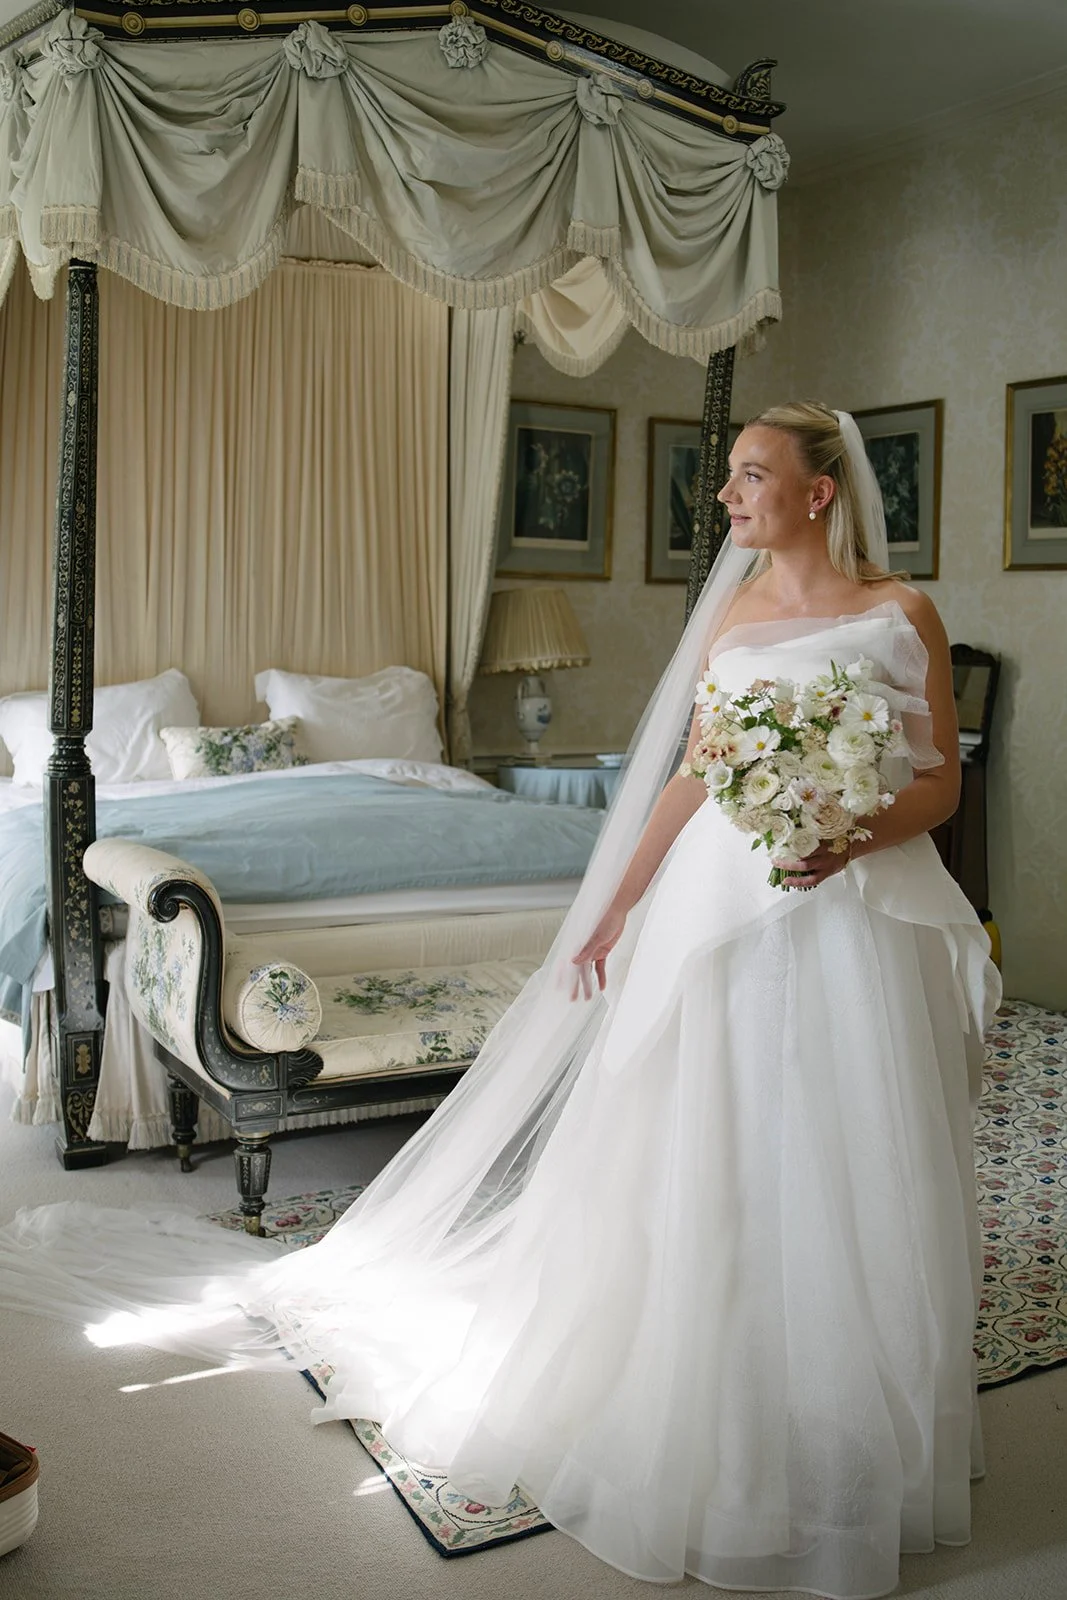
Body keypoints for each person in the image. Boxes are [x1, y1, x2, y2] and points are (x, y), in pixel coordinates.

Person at [0, 404, 1000, 1600]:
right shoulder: (728, 616)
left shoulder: (900, 615)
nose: (726, 496)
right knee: (713, 1136)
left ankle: (843, 1399)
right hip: (718, 905)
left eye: (748, 475)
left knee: (845, 1145)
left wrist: (845, 836)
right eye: (727, 475)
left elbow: (937, 781)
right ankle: (717, 1378)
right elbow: (692, 775)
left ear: (818, 492)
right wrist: (616, 905)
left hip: (844, 909)